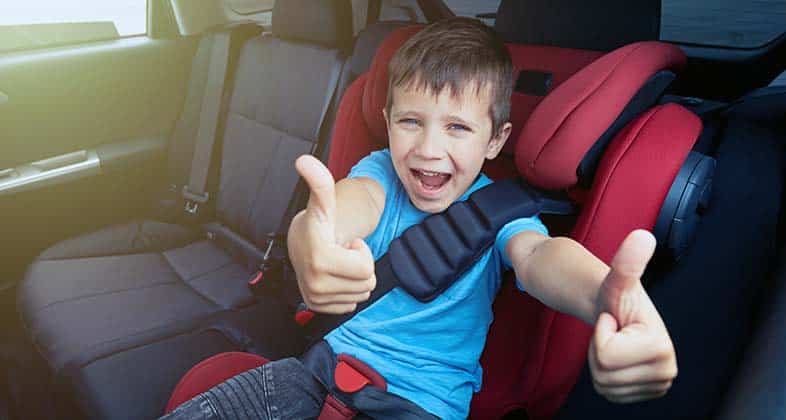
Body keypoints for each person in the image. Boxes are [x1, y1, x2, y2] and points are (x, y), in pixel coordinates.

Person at [162, 17, 677, 420]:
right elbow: (343, 208)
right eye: (411, 121)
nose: (429, 150)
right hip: (316, 373)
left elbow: (542, 257)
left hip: (422, 405)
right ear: (387, 123)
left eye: (457, 127)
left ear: (495, 139)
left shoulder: (499, 213)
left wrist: (606, 294)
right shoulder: (380, 174)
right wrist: (309, 240)